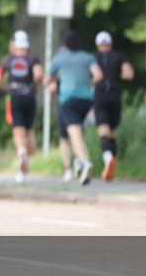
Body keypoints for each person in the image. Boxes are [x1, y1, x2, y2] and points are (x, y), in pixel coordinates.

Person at [44, 30, 103, 186]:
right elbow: (98, 76)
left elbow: (46, 81)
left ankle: (84, 163)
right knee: (71, 134)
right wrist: (88, 84)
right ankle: (75, 165)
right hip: (86, 100)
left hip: (68, 100)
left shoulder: (59, 58)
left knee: (73, 133)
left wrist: (55, 81)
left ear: (65, 45)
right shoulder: (88, 57)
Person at [0, 30, 43, 183]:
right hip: (29, 97)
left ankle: (21, 152)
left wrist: (5, 87)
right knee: (30, 131)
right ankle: (27, 157)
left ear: (13, 44)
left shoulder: (7, 60)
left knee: (17, 131)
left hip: (14, 96)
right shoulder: (33, 59)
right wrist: (36, 85)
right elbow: (38, 75)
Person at [93, 31, 134, 181]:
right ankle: (112, 164)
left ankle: (108, 157)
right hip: (115, 96)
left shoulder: (93, 58)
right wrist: (118, 76)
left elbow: (90, 76)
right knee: (113, 131)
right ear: (110, 44)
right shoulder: (119, 56)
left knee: (103, 130)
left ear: (98, 44)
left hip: (100, 95)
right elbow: (128, 74)